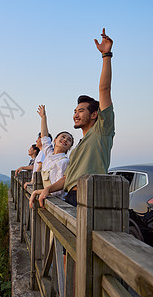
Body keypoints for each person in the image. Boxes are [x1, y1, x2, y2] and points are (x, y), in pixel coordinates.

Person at [35, 28, 115, 208]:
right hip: (72, 197)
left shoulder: (102, 130)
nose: (76, 114)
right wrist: (47, 189)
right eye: (75, 111)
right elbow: (67, 178)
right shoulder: (79, 146)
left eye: (81, 111)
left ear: (95, 114)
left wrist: (106, 55)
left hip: (89, 197)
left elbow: (105, 90)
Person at [29, 105, 74, 208]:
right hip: (47, 200)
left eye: (69, 140)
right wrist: (43, 117)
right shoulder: (49, 154)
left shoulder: (64, 161)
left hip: (59, 204)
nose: (65, 140)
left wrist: (37, 191)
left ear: (69, 148)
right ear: (55, 140)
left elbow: (58, 192)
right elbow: (44, 137)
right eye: (63, 137)